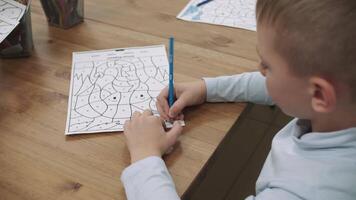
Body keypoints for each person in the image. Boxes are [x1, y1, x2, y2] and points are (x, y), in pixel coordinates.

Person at [121, 0, 356, 199]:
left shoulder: (303, 192)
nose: (260, 70)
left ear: (319, 95)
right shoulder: (339, 105)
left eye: (268, 65)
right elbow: (285, 85)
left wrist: (144, 156)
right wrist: (207, 88)